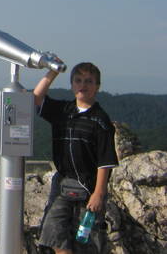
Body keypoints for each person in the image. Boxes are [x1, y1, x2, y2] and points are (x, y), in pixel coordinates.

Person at [33, 62, 118, 254]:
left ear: (97, 86)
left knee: (85, 240)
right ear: (71, 84)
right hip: (63, 183)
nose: (83, 85)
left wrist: (98, 194)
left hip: (89, 187)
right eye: (78, 80)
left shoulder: (100, 120)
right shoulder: (63, 111)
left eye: (89, 81)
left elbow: (105, 162)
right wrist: (53, 72)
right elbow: (36, 99)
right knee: (53, 233)